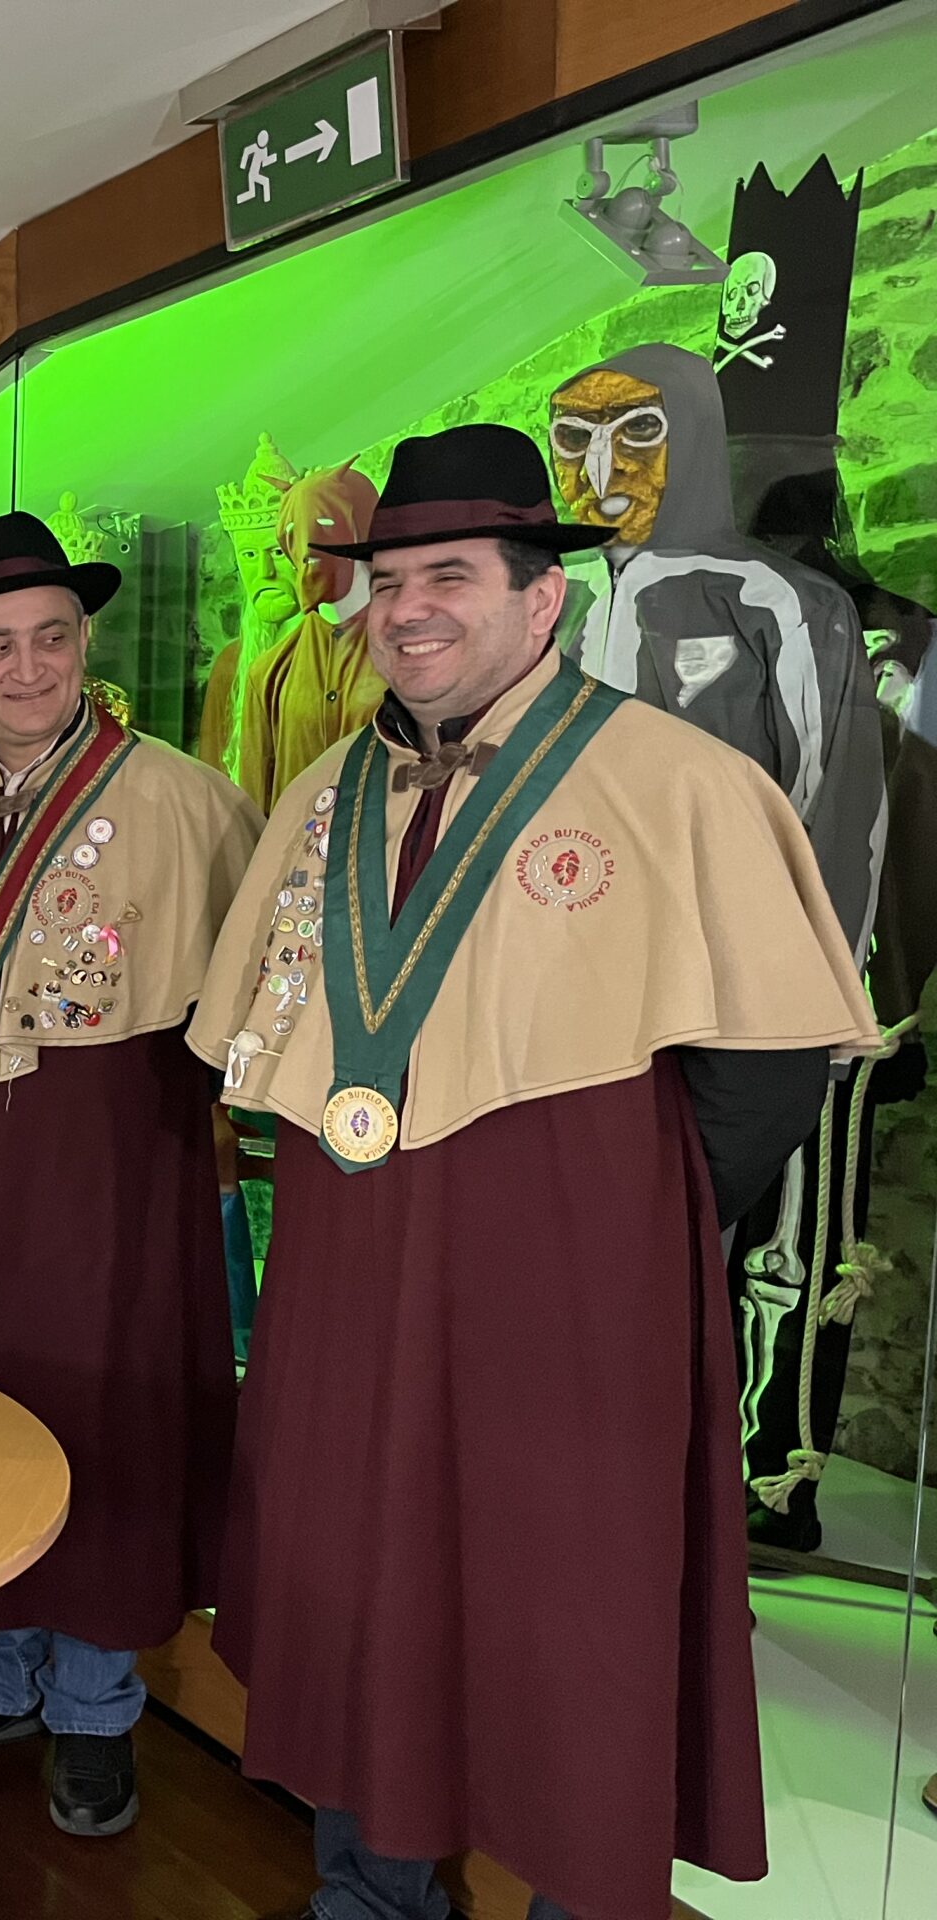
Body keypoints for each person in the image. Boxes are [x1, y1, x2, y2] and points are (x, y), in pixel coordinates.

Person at [187, 424, 878, 1920]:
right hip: (352, 1274)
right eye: (386, 583)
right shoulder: (320, 800)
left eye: (449, 576)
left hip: (564, 1287)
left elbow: (761, 1076)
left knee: (564, 1607)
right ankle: (372, 1891)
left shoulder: (673, 780)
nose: (408, 609)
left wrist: (608, 1221)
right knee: (361, 1575)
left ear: (539, 600)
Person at [0, 511, 261, 1837]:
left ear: (82, 641)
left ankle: (95, 1707)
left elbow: (248, 1000)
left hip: (114, 1150)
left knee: (108, 1403)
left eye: (48, 638)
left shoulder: (185, 797)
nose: (24, 667)